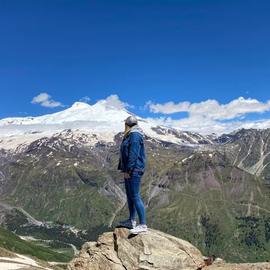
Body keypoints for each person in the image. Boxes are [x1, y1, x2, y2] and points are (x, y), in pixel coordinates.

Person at [117, 115, 147, 234]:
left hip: (134, 170)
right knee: (130, 195)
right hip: (130, 170)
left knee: (135, 195)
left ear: (127, 125)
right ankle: (131, 220)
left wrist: (128, 171)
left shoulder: (135, 135)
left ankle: (143, 224)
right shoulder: (132, 134)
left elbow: (133, 154)